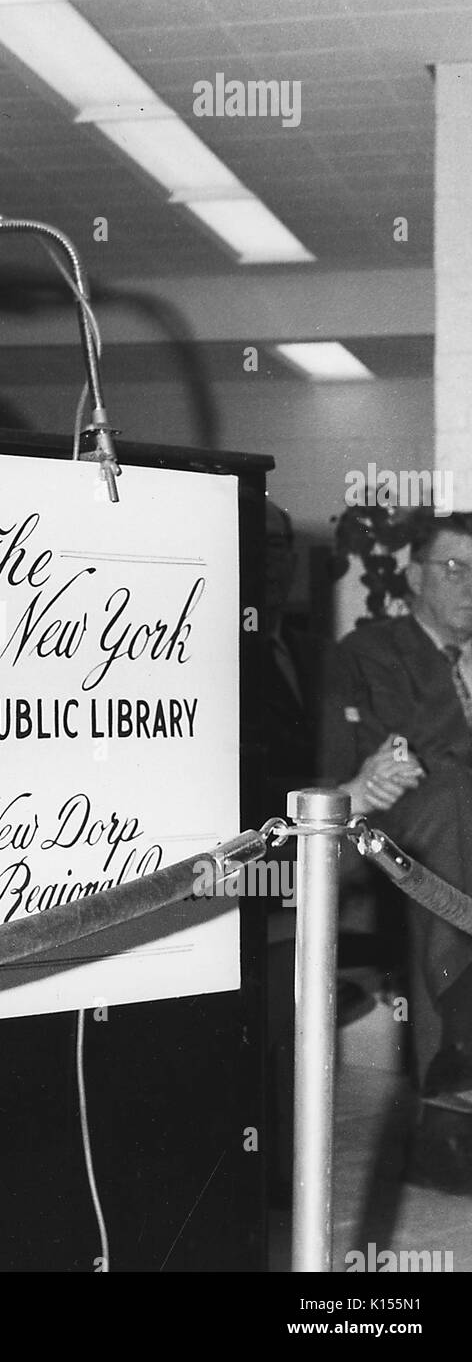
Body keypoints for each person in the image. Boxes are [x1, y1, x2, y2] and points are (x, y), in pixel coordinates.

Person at [320, 508, 472, 1191]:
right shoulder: (372, 652)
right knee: (447, 809)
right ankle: (452, 1104)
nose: (471, 586)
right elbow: (402, 765)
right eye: (454, 570)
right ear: (411, 577)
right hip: (400, 847)